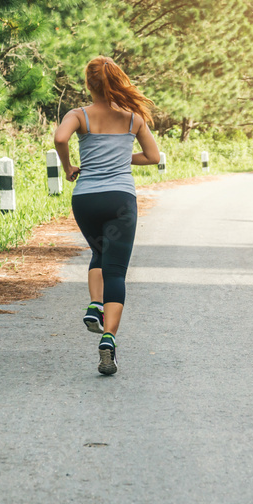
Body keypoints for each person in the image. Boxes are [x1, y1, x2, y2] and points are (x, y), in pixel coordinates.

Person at [53, 56, 161, 375]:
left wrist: (68, 166)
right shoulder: (133, 118)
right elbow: (153, 156)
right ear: (118, 80)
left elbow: (60, 138)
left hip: (85, 198)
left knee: (99, 251)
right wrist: (121, 156)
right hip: (120, 200)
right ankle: (108, 339)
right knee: (115, 270)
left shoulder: (78, 115)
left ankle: (94, 305)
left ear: (88, 84)